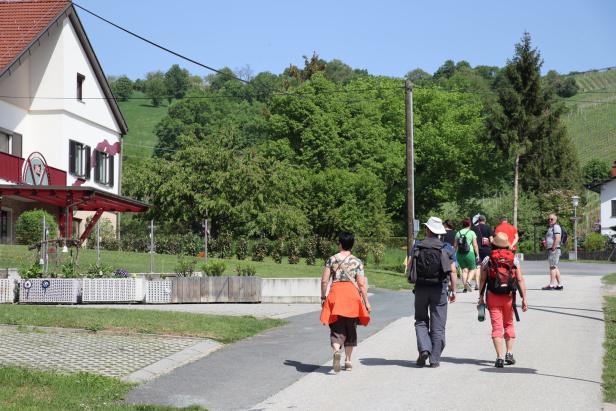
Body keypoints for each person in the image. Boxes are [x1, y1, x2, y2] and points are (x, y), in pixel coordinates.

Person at [407, 217, 456, 368]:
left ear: (427, 230)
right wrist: (453, 289)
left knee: (421, 320)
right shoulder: (447, 248)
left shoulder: (417, 246)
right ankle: (434, 359)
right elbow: (453, 271)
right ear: (440, 232)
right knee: (438, 325)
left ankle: (424, 349)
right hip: (440, 289)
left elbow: (409, 266)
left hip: (421, 287)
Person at [320, 232, 371, 373]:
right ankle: (348, 361)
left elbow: (324, 281)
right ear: (352, 244)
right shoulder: (358, 262)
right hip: (352, 297)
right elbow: (361, 284)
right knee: (351, 328)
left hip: (336, 295)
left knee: (336, 328)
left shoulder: (331, 260)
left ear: (340, 243)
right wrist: (366, 302)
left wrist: (323, 297)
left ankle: (336, 351)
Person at [478, 232, 528, 368]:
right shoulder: (514, 259)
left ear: (493, 244)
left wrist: (481, 297)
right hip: (509, 297)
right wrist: (524, 298)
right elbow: (520, 280)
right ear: (507, 245)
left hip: (493, 296)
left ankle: (499, 357)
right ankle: (509, 353)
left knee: (496, 327)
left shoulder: (488, 259)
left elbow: (482, 279)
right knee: (509, 324)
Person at [455, 218, 480, 292]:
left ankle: (465, 288)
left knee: (464, 270)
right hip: (470, 253)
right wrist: (477, 254)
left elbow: (455, 245)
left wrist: (454, 254)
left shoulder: (458, 233)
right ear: (469, 224)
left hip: (460, 253)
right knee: (473, 268)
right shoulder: (472, 232)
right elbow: (475, 245)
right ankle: (468, 282)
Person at [472, 215, 494, 290]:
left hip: (477, 250)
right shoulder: (488, 227)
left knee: (477, 266)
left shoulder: (474, 228)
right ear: (485, 220)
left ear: (478, 220)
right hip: (487, 249)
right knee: (487, 266)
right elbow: (491, 239)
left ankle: (477, 284)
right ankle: (487, 280)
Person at [542, 213, 563, 290]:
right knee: (554, 267)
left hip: (554, 249)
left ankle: (551, 285)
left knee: (552, 267)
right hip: (551, 248)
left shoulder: (556, 227)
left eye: (552, 219)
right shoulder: (551, 228)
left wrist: (553, 247)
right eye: (549, 219)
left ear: (555, 220)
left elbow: (558, 238)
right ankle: (560, 285)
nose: (550, 220)